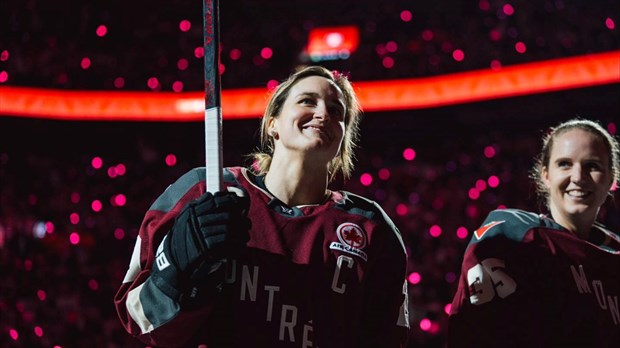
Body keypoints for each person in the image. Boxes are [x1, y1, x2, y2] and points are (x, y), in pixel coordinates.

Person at [114, 66, 410, 347]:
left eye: (336, 111)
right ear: (273, 124)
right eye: (308, 100)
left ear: (342, 139)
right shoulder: (204, 189)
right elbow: (139, 320)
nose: (323, 113)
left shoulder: (372, 228)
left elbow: (386, 340)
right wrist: (179, 269)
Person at [447, 118, 620, 347]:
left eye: (592, 165)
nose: (578, 177)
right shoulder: (515, 237)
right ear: (545, 175)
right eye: (565, 164)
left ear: (612, 179)